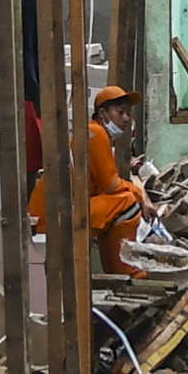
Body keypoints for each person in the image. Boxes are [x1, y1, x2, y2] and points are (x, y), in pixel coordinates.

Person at [30, 83, 150, 275]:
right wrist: (138, 194)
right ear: (103, 113)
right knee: (127, 203)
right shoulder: (96, 134)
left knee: (118, 206)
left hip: (54, 213)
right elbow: (111, 185)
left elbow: (105, 185)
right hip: (54, 218)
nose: (126, 118)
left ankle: (116, 275)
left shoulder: (95, 133)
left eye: (128, 113)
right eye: (121, 112)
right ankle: (129, 274)